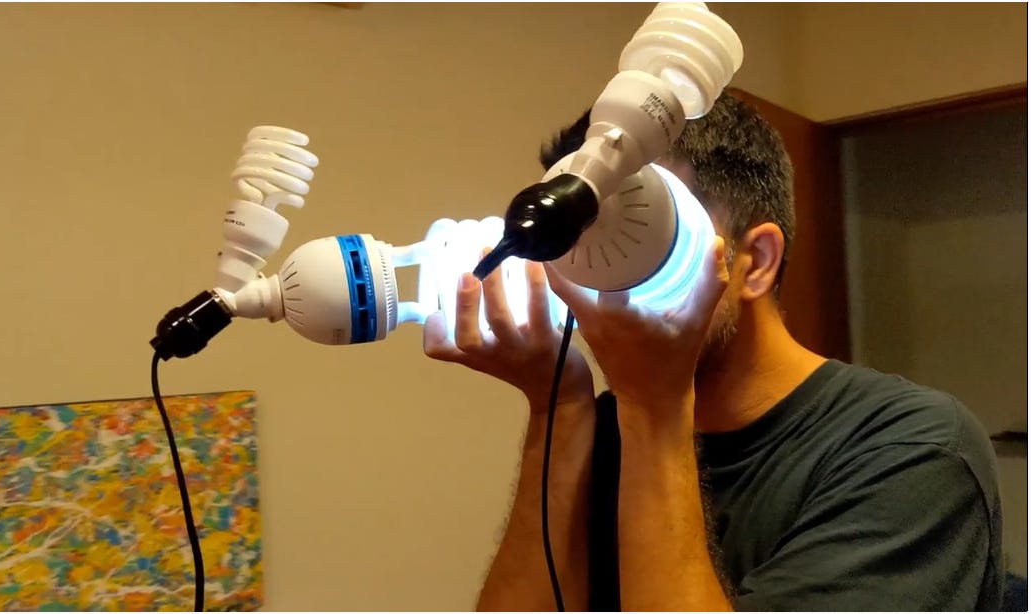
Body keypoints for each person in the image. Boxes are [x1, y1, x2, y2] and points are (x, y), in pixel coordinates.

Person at [423, 92, 1004, 611]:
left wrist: (654, 408)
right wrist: (559, 408)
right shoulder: (602, 429)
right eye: (579, 244)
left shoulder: (912, 448)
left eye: (639, 236)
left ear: (756, 262)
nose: (601, 279)